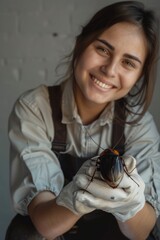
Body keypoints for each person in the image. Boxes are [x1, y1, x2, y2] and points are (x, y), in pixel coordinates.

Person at [6, 1, 160, 240]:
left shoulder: (140, 124)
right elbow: (45, 224)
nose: (109, 70)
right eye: (103, 49)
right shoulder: (34, 109)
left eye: (128, 63)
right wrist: (76, 195)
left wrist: (130, 205)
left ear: (140, 75)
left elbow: (141, 232)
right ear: (81, 43)